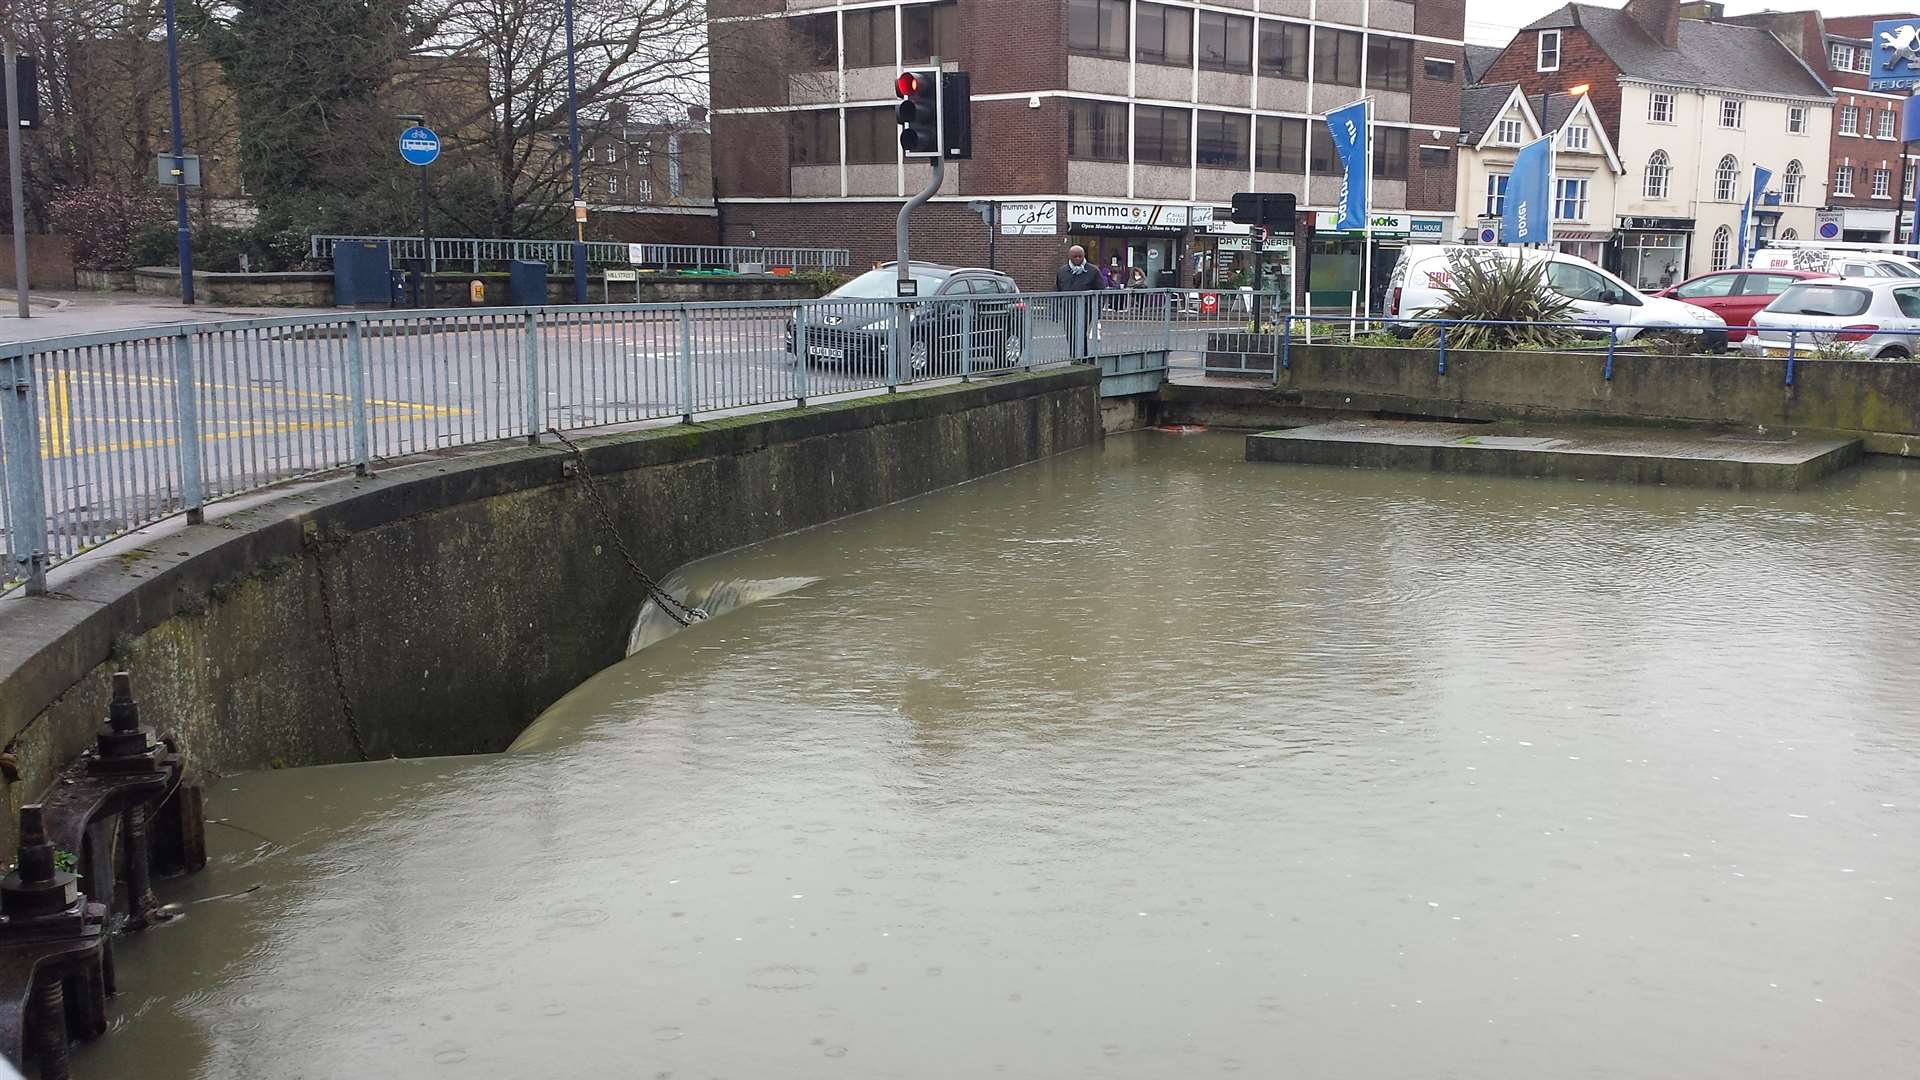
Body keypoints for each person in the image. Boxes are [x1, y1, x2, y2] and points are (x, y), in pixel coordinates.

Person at [1055, 245, 1106, 358]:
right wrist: (1057, 309)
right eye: (1075, 256)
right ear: (1069, 257)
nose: (1078, 259)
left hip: (1086, 308)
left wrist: (1097, 312)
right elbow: (1058, 290)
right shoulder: (1062, 271)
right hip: (1068, 308)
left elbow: (1101, 290)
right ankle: (1074, 357)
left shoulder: (1093, 270)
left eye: (1080, 256)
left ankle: (1082, 358)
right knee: (1070, 333)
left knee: (1080, 333)